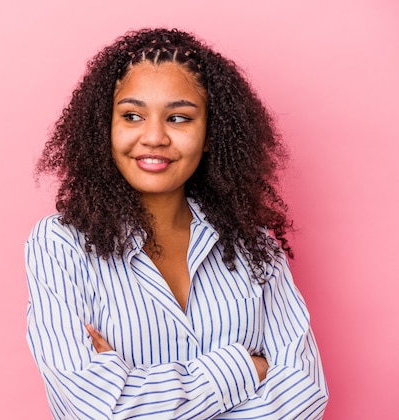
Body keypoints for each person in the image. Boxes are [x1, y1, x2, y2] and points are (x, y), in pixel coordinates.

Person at [25, 28, 328, 419]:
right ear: (106, 128)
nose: (153, 137)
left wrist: (138, 389)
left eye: (179, 118)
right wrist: (245, 367)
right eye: (132, 116)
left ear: (209, 135)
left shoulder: (256, 247)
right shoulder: (60, 244)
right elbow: (100, 411)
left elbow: (305, 397)